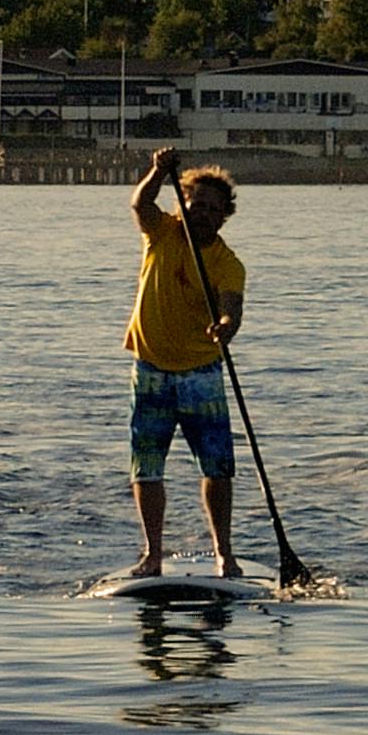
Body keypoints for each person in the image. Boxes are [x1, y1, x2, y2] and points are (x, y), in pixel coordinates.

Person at [124, 146, 242, 579]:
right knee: (147, 465)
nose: (204, 215)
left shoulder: (227, 263)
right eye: (198, 206)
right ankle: (152, 555)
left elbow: (232, 306)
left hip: (201, 374)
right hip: (151, 368)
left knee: (217, 466)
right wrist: (158, 172)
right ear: (184, 205)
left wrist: (226, 325)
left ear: (224, 216)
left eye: (213, 210)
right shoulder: (162, 232)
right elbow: (140, 203)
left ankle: (224, 554)